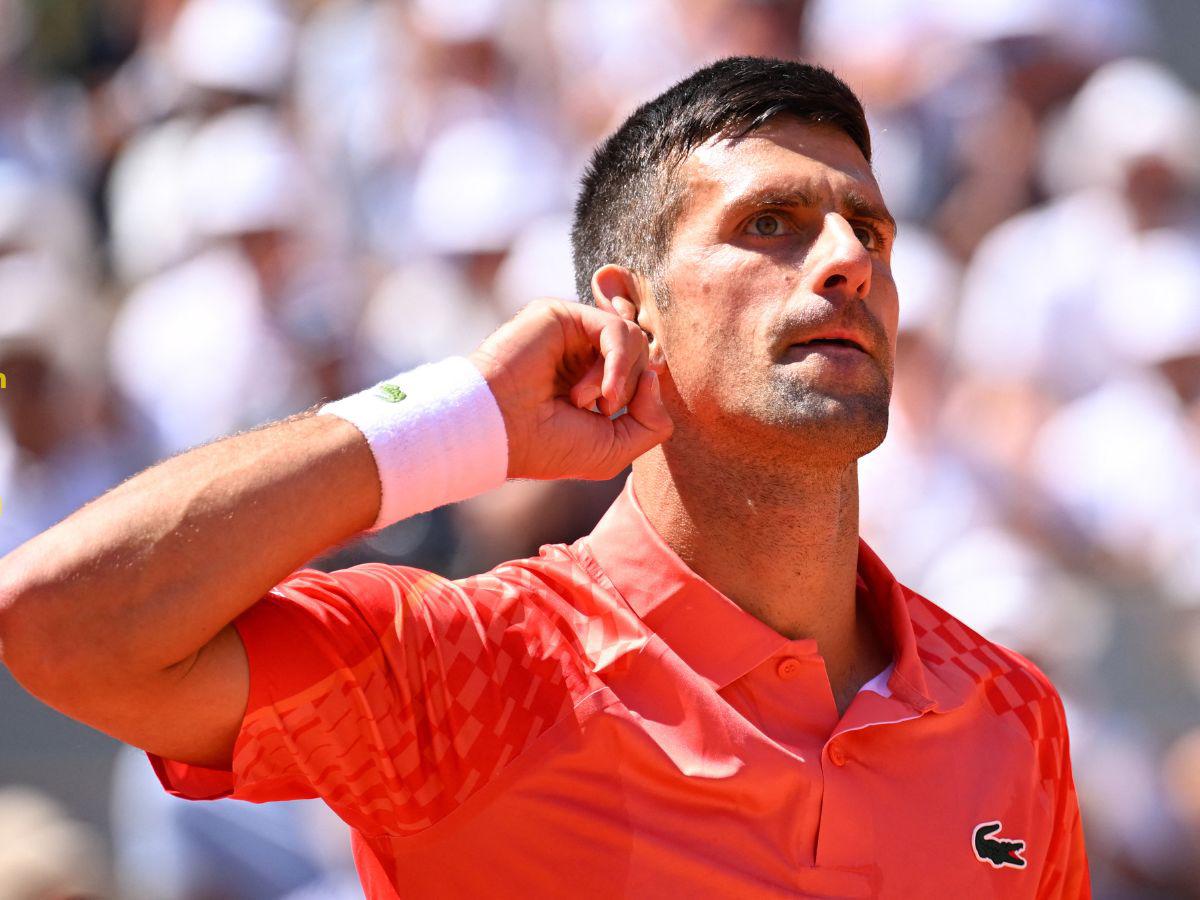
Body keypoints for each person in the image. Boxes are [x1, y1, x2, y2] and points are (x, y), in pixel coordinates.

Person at [0, 56, 1089, 898]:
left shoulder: (1010, 715)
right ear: (630, 310)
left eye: (872, 230)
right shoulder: (476, 667)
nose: (850, 258)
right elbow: (59, 621)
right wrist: (457, 424)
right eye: (772, 224)